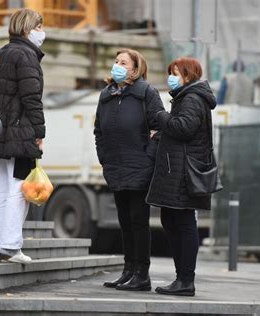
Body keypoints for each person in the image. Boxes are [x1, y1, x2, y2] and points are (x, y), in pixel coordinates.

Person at [146, 57, 217, 296]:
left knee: (183, 224)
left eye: (175, 73)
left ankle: (186, 280)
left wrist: (160, 116)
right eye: (170, 72)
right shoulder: (186, 98)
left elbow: (183, 128)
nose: (171, 77)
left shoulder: (193, 99)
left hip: (183, 173)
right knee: (171, 221)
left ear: (188, 75)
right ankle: (181, 278)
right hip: (176, 171)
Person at [94, 48, 164, 291]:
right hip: (115, 167)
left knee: (138, 222)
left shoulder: (146, 93)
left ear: (135, 70)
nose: (117, 65)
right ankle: (128, 271)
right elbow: (98, 131)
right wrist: (104, 158)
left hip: (139, 167)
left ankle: (142, 274)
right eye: (116, 61)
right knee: (124, 221)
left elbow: (160, 129)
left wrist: (148, 158)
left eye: (123, 62)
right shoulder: (106, 95)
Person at [0, 8, 46, 264]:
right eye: (39, 26)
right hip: (19, 133)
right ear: (27, 28)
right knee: (19, 189)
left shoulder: (1, 55)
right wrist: (39, 130)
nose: (42, 32)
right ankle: (11, 246)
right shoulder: (26, 56)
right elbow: (31, 97)